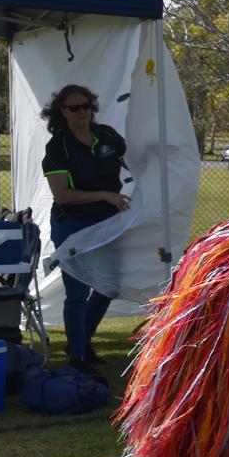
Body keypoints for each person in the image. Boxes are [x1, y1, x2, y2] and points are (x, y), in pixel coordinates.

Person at [40, 84, 130, 373]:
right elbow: (63, 195)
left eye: (87, 106)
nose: (82, 112)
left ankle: (82, 340)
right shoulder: (58, 147)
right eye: (74, 108)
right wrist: (105, 195)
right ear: (62, 112)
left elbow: (134, 163)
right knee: (77, 292)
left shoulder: (108, 137)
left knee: (109, 287)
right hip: (72, 224)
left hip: (108, 223)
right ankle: (77, 357)